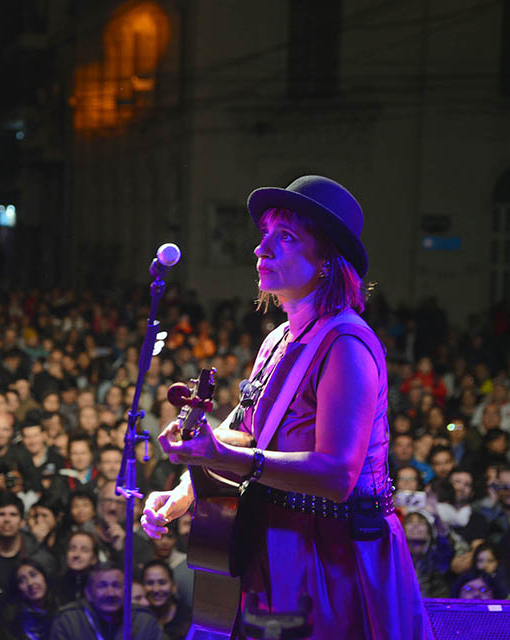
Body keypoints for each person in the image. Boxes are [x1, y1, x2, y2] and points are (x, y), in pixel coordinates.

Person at [140, 175, 431, 638]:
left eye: (287, 237)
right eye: (265, 234)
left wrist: (224, 456)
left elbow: (337, 474)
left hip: (335, 558)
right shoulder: (279, 338)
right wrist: (183, 490)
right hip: (280, 546)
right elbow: (248, 433)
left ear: (327, 259)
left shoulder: (346, 344)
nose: (262, 249)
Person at [49, 563, 162, 639]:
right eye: (102, 586)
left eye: (116, 585)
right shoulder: (69, 620)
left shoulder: (144, 621)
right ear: (88, 593)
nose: (110, 593)